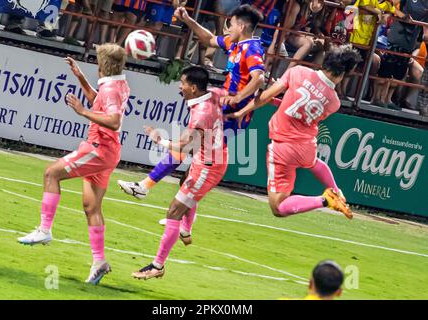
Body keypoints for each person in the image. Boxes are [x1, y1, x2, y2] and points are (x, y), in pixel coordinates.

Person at [118, 4, 265, 200]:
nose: (227, 29)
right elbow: (208, 39)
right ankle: (172, 213)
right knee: (190, 158)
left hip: (233, 114)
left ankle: (146, 188)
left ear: (242, 27)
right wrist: (187, 19)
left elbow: (259, 78)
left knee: (191, 152)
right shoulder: (234, 44)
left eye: (230, 25)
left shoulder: (252, 48)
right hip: (223, 106)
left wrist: (238, 98)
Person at [17, 44, 130, 285]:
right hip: (109, 151)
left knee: (51, 174)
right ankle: (99, 262)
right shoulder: (117, 83)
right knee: (91, 208)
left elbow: (113, 120)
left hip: (99, 148)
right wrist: (80, 77)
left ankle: (44, 230)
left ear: (104, 65)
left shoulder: (111, 87)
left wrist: (82, 112)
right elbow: (99, 102)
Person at [227, 45, 362, 220]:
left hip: (284, 147)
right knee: (313, 163)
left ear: (325, 61)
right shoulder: (334, 102)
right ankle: (336, 190)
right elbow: (304, 110)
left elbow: (267, 96)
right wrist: (280, 102)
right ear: (344, 74)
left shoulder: (298, 72)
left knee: (279, 207)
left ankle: (324, 200)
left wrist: (241, 112)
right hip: (306, 147)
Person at [131, 66, 228, 279]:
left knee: (174, 211)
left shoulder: (201, 115)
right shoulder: (212, 94)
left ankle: (158, 266)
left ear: (193, 88)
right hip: (211, 158)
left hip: (208, 166)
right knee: (183, 189)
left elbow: (184, 146)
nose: (180, 86)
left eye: (182, 83)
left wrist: (159, 139)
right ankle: (185, 229)